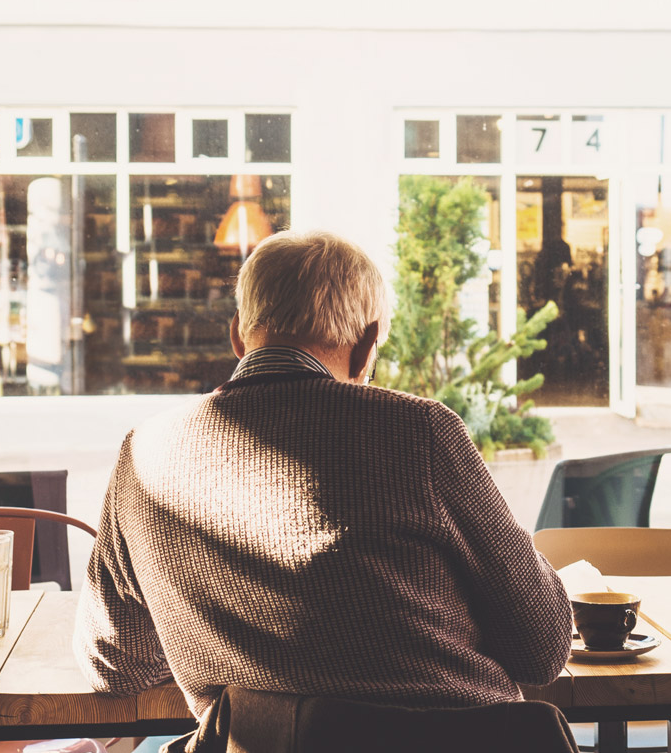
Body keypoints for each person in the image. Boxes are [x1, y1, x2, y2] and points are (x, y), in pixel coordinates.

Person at [74, 229, 572, 720]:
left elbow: (114, 664)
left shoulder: (145, 453)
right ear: (366, 346)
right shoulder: (420, 433)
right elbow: (542, 648)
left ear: (237, 337)